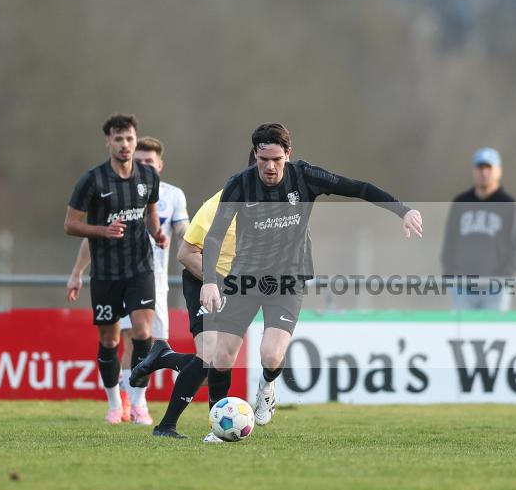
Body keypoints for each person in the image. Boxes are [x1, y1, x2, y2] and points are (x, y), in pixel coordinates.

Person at [149, 123, 423, 438]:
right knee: (220, 356)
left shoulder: (305, 176)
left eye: (277, 159)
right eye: (263, 159)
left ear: (287, 155)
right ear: (255, 155)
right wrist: (210, 280)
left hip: (288, 279)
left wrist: (403, 211)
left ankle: (266, 388)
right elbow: (212, 239)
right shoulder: (239, 184)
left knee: (271, 354)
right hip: (245, 278)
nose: (270, 166)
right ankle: (218, 425)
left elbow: (358, 188)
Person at [131, 151, 252, 443]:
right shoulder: (219, 204)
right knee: (209, 355)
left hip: (235, 289)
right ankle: (166, 426)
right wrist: (216, 283)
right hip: (202, 280)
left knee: (220, 359)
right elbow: (186, 254)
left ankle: (165, 357)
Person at [67, 136, 189, 425]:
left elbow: (181, 228)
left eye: (150, 161)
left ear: (160, 164)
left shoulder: (173, 195)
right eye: (141, 160)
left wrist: (194, 241)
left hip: (155, 279)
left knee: (147, 339)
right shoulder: (117, 190)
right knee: (123, 338)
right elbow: (90, 238)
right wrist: (78, 271)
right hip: (116, 273)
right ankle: (131, 402)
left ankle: (131, 396)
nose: (145, 165)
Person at [440, 147, 516, 311]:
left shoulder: (508, 205)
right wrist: (450, 274)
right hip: (462, 285)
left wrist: (504, 277)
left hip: (495, 287)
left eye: (489, 168)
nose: (484, 173)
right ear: (474, 171)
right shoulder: (461, 202)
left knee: (494, 332)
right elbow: (450, 241)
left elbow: (515, 247)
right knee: (463, 334)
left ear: (498, 171)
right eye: (480, 168)